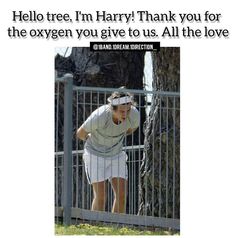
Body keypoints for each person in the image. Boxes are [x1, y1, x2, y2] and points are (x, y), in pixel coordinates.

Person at [76, 87, 140, 213]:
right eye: (121, 111)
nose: (125, 114)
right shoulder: (100, 116)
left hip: (116, 155)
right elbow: (80, 133)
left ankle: (116, 228)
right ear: (112, 109)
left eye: (127, 110)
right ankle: (95, 227)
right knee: (101, 197)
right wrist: (92, 139)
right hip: (94, 155)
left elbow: (130, 130)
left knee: (121, 196)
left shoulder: (134, 115)